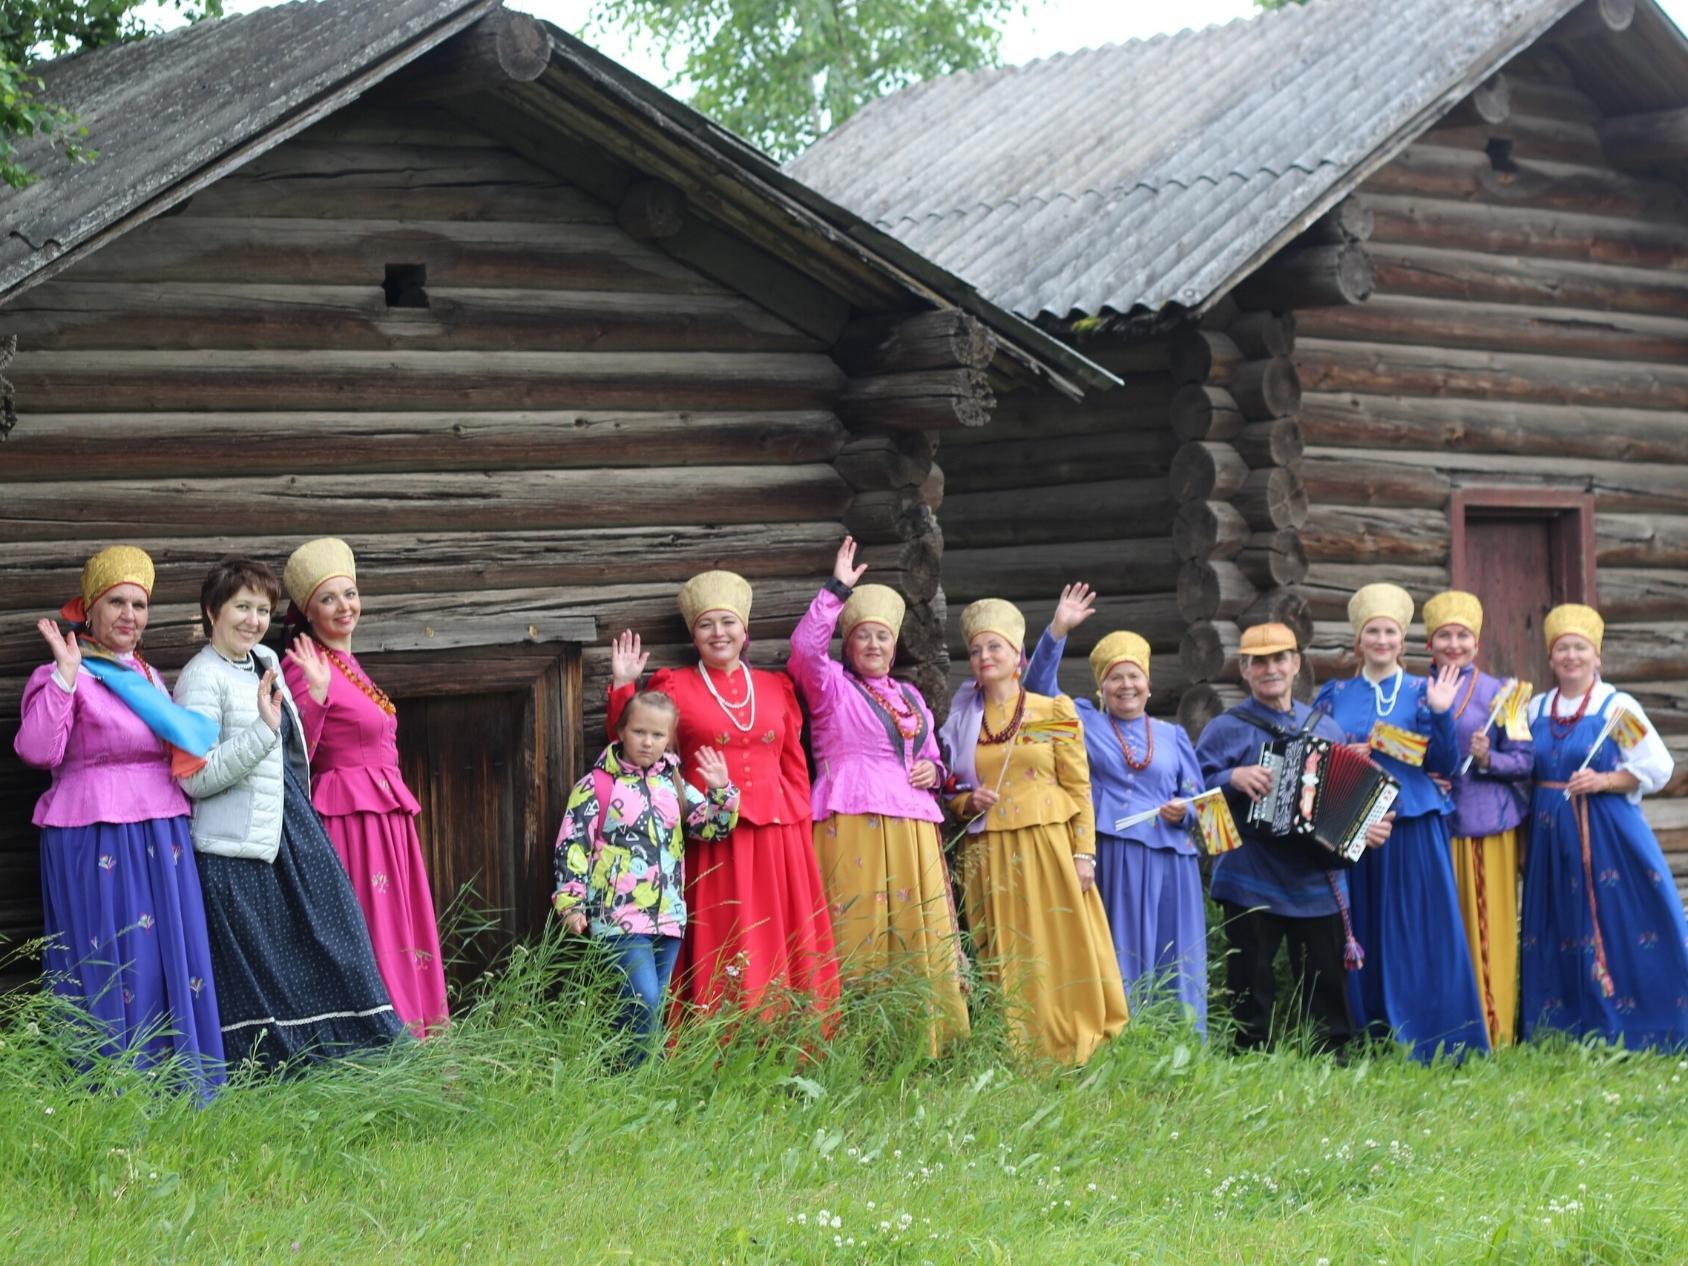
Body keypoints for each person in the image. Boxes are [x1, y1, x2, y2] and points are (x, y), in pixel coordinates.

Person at [173, 557, 403, 1071]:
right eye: (241, 608)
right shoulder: (199, 679)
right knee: (268, 972)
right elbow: (195, 777)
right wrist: (260, 734)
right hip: (237, 849)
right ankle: (283, 1079)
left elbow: (294, 752)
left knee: (339, 942)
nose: (253, 620)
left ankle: (363, 1065)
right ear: (212, 612)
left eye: (262, 609)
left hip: (291, 830)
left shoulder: (264, 661)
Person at [13, 545, 225, 1097]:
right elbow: (38, 751)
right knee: (113, 956)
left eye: (139, 604)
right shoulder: (68, 673)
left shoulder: (150, 676)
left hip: (163, 832)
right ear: (89, 609)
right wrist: (63, 678)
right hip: (96, 830)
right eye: (117, 603)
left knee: (163, 957)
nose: (130, 614)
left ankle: (177, 1085)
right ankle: (114, 1089)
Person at [606, 571, 839, 1021]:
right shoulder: (675, 686)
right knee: (725, 932)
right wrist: (623, 687)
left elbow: (793, 761)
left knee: (780, 934)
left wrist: (796, 821)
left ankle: (786, 1028)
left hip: (779, 836)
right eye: (707, 625)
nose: (719, 633)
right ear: (693, 634)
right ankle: (722, 1033)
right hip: (711, 837)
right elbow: (636, 746)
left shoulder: (777, 687)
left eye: (728, 623)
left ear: (745, 631)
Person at [787, 538, 968, 1054]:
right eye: (863, 636)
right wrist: (837, 590)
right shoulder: (830, 687)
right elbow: (803, 650)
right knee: (855, 930)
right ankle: (849, 1043)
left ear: (895, 646)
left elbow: (932, 757)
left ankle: (919, 1039)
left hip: (912, 825)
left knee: (920, 930)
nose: (873, 645)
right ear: (848, 645)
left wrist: (933, 772)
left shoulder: (911, 697)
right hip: (850, 815)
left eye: (882, 637)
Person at [938, 597, 1127, 1065]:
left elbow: (1079, 787)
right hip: (987, 850)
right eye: (977, 650)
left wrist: (1085, 853)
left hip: (1048, 845)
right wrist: (966, 801)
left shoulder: (1053, 710)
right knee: (1002, 946)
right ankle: (1014, 1046)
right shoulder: (963, 722)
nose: (985, 657)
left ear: (1018, 655)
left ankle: (1069, 1041)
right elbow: (949, 794)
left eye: (995, 647)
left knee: (1058, 940)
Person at [1194, 621, 1391, 1055]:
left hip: (1315, 880)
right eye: (1258, 662)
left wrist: (1366, 831)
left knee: (1326, 982)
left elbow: (1348, 804)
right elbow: (1194, 794)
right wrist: (1230, 776)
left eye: (1279, 659)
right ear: (1243, 670)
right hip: (1250, 874)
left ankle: (1332, 1056)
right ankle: (1248, 1055)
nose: (1270, 669)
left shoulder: (1326, 728)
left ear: (1296, 664)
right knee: (1250, 981)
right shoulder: (1226, 728)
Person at [279, 538, 448, 1036]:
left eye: (349, 594)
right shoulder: (304, 662)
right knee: (371, 929)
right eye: (328, 599)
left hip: (383, 817)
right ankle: (380, 1042)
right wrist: (313, 696)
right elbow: (295, 755)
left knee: (398, 926)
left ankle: (414, 1036)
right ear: (308, 612)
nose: (343, 607)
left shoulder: (351, 665)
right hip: (349, 820)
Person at [1314, 583, 1489, 1063]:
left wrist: (1440, 713)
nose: (1383, 639)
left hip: (1414, 819)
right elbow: (1316, 759)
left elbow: (1448, 764)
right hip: (1354, 825)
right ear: (1359, 639)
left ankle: (1436, 1033)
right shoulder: (1335, 694)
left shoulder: (1424, 691)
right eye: (1374, 631)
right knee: (1361, 928)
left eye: (1391, 631)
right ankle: (1367, 1033)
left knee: (1420, 927)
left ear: (1403, 640)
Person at [1024, 583, 1209, 1031]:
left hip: (1172, 861)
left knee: (1176, 948)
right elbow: (1037, 692)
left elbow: (1203, 804)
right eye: (1115, 677)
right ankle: (1122, 1032)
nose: (1126, 685)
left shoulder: (1173, 736)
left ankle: (1181, 1035)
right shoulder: (1082, 721)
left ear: (1149, 684)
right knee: (1120, 945)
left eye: (1134, 676)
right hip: (1114, 854)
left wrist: (1184, 810)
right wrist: (1057, 630)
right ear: (1101, 686)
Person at [1522, 603, 1687, 1050]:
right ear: (1551, 658)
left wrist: (1606, 780)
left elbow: (1657, 766)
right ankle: (1559, 1026)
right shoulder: (1536, 708)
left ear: (1598, 657)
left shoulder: (1617, 708)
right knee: (1555, 923)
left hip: (1607, 831)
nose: (1571, 656)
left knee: (1621, 920)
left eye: (1580, 648)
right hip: (1550, 832)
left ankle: (1642, 1022)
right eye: (1562, 649)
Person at [553, 690, 740, 1063]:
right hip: (617, 917)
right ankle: (637, 1082)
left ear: (668, 738)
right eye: (639, 732)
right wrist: (570, 903)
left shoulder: (674, 785)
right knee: (644, 999)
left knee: (648, 1006)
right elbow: (572, 845)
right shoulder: (596, 786)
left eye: (658, 735)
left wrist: (721, 792)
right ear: (621, 730)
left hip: (668, 917)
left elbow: (711, 829)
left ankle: (630, 1077)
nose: (648, 742)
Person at [1422, 590, 1532, 1049]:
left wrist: (1490, 761)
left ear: (1476, 642)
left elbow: (1526, 760)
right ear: (1429, 643)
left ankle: (1495, 1029)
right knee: (1443, 928)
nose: (1453, 644)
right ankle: (1443, 1028)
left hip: (1486, 824)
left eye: (1462, 635)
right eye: (1444, 635)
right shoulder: (1412, 691)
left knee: (1489, 930)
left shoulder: (1503, 694)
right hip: (1430, 826)